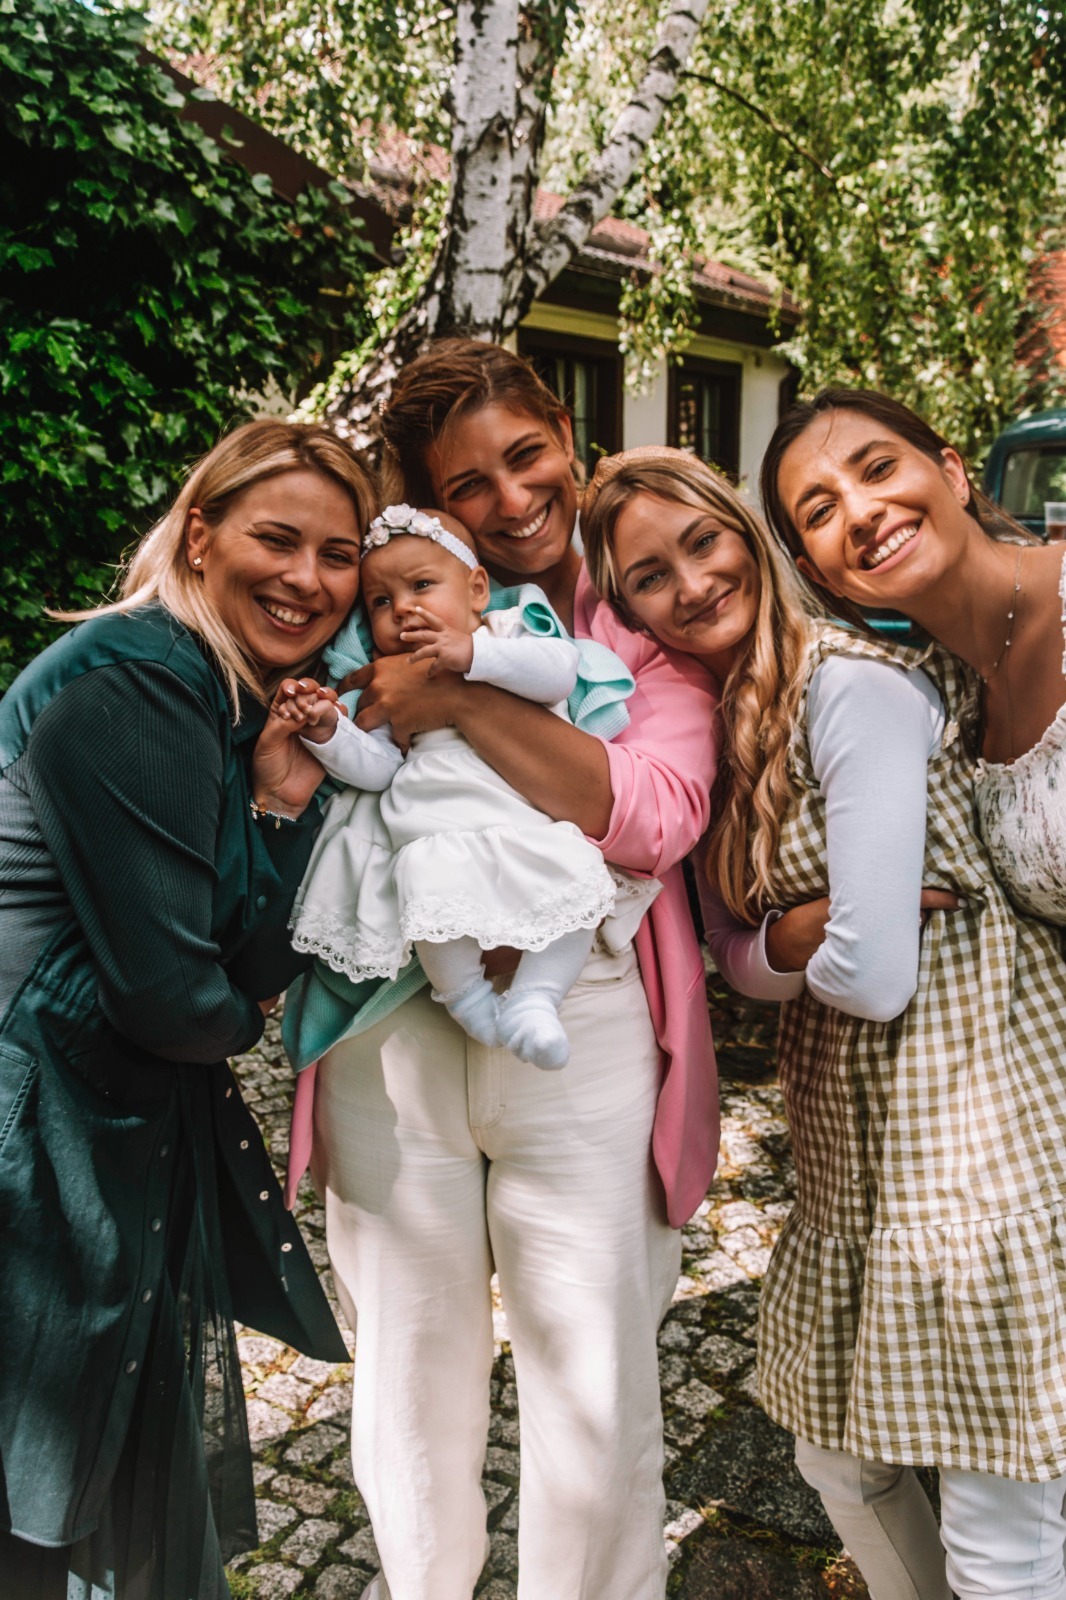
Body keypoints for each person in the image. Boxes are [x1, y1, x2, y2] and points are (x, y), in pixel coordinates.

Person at [581, 443, 1066, 1600]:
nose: (689, 582)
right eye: (649, 575)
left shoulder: (850, 687)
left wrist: (808, 947)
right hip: (862, 1147)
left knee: (1001, 1516)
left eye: (703, 539)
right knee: (836, 1460)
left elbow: (879, 974)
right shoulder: (730, 720)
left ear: (750, 541)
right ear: (628, 609)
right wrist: (790, 939)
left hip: (976, 1125)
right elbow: (748, 965)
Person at [282, 340, 720, 1600]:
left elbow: (650, 813)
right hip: (394, 1022)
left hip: (575, 1019)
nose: (513, 495)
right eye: (467, 484)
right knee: (409, 1377)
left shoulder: (636, 633)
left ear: (567, 443)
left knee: (592, 1383)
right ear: (425, 509)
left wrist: (461, 698)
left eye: (526, 455)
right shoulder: (385, 607)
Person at [0, 419, 373, 1600]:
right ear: (200, 533)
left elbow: (249, 945)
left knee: (82, 1460)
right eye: (277, 537)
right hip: (33, 1119)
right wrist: (242, 1014)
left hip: (101, 1112)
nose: (308, 578)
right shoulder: (139, 675)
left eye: (338, 553)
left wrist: (276, 802)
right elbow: (178, 995)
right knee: (39, 1466)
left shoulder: (231, 702)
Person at [280, 502, 657, 1070]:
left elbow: (559, 670)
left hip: (528, 823)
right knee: (433, 905)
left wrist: (475, 655)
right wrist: (329, 731)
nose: (402, 607)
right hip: (436, 827)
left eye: (422, 585)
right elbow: (377, 769)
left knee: (576, 889)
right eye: (380, 601)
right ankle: (466, 998)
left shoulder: (509, 633)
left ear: (477, 589)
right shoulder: (389, 679)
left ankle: (536, 999)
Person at [759, 385, 1066, 923]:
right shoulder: (947, 708)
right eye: (822, 511)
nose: (860, 513)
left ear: (952, 474)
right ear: (822, 579)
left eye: (878, 469)